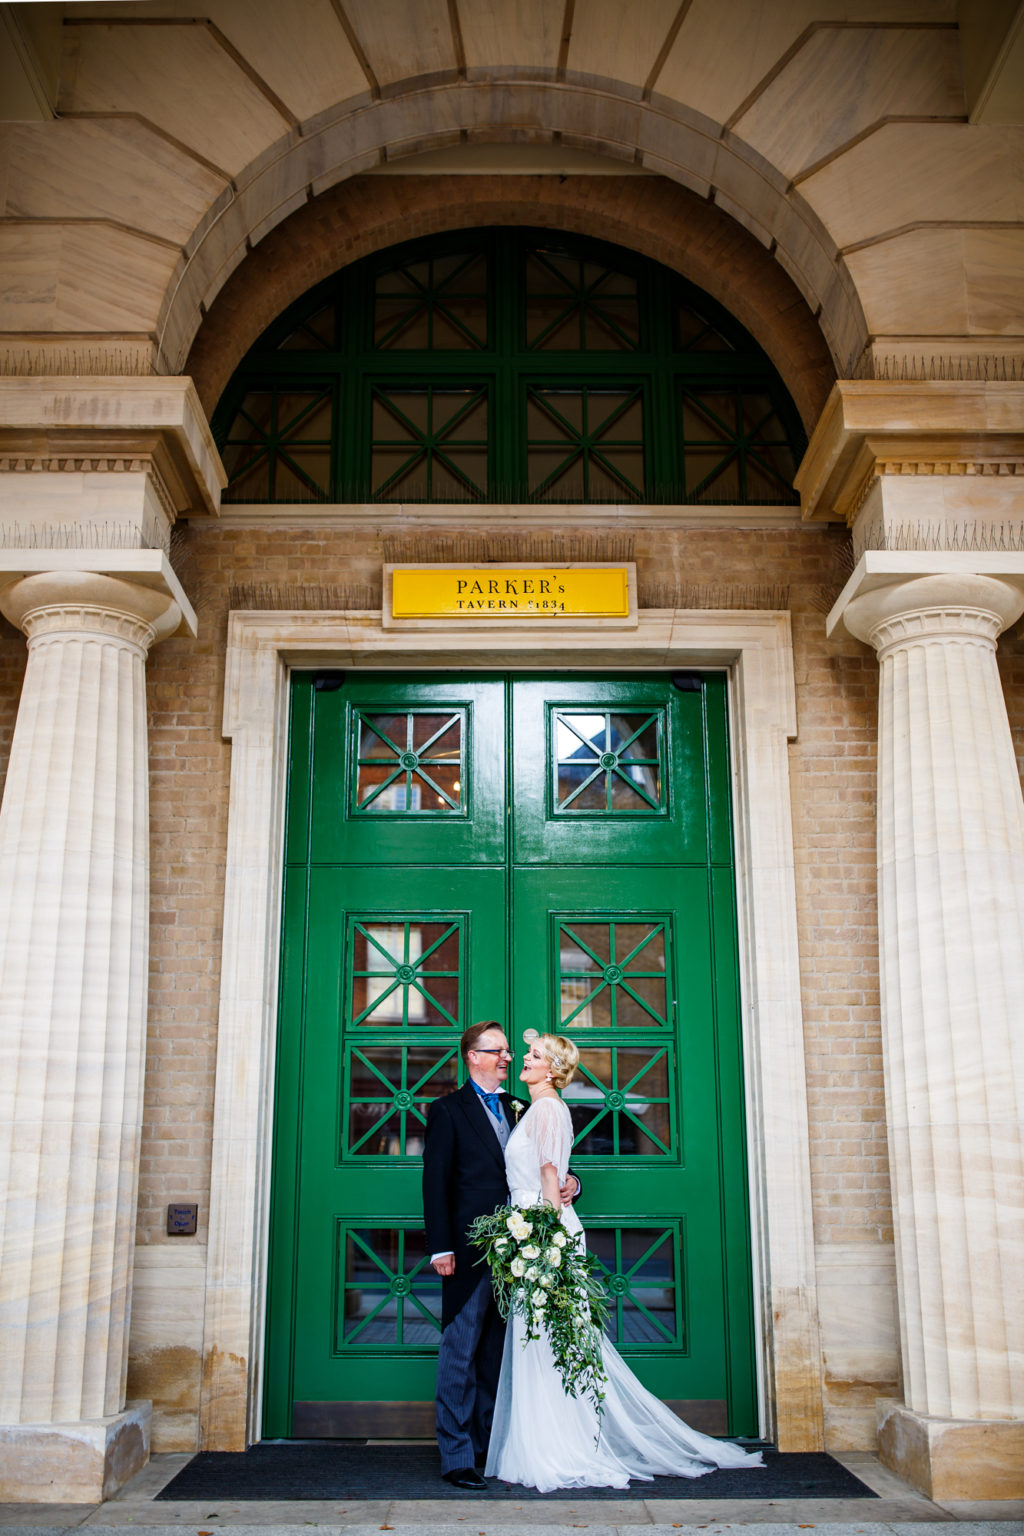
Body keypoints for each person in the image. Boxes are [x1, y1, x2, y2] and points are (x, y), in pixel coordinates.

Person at [485, 1031, 764, 1492]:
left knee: (553, 1342)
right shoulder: (536, 1108)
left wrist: (545, 1241)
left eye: (533, 1056)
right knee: (540, 1344)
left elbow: (552, 1180)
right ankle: (543, 1442)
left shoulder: (550, 1109)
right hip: (529, 1233)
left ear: (553, 1070)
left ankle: (560, 1447)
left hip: (544, 1236)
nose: (525, 1060)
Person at [422, 1020, 579, 1490]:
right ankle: (456, 1456)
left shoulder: (522, 1105)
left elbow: (549, 1163)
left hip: (519, 1252)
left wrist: (573, 1184)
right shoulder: (446, 1110)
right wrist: (441, 1248)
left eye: (512, 1051)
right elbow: (435, 1183)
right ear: (474, 1055)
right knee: (460, 1350)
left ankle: (491, 1447)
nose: (509, 1056)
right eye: (499, 1050)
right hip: (468, 1253)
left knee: (498, 1352)